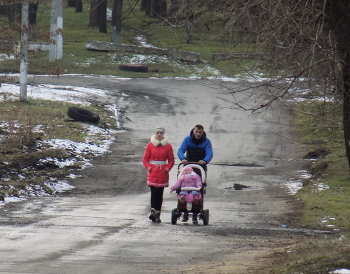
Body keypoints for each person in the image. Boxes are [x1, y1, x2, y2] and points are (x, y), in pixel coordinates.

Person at [177, 124, 213, 222]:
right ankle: (184, 211)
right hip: (188, 166)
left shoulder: (206, 142)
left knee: (197, 189)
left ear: (203, 132)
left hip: (199, 167)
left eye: (200, 132)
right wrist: (183, 158)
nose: (198, 134)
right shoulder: (187, 140)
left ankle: (196, 212)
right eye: (196, 132)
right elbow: (181, 150)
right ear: (193, 131)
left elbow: (209, 153)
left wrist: (205, 160)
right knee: (185, 187)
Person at [142, 126, 175, 223]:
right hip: (153, 172)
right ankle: (153, 211)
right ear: (155, 134)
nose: (159, 135)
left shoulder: (168, 146)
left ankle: (158, 213)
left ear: (163, 134)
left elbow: (171, 160)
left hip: (162, 173)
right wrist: (149, 167)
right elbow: (145, 159)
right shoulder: (150, 145)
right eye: (157, 133)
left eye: (161, 133)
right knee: (153, 193)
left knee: (159, 194)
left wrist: (167, 168)